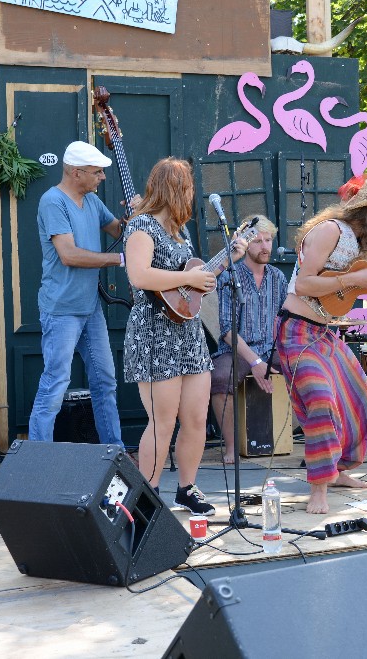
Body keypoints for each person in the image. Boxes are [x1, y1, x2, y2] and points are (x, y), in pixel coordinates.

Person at [275, 175, 367, 514]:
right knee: (321, 401)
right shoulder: (329, 232)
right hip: (297, 332)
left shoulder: (366, 244)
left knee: (364, 398)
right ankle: (318, 488)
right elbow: (305, 284)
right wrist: (352, 278)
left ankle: (338, 470)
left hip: (325, 334)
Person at [123, 157, 246, 515]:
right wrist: (188, 279)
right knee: (162, 421)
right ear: (173, 189)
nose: (192, 194)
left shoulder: (180, 231)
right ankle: (146, 496)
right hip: (153, 333)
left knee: (194, 418)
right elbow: (140, 276)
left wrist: (226, 260)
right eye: (187, 187)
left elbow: (192, 285)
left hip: (187, 333)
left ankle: (187, 489)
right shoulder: (141, 227)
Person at [29, 141, 124, 446]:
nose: (102, 177)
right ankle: (38, 459)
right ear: (76, 172)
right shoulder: (52, 201)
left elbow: (122, 232)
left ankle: (115, 453)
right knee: (55, 385)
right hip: (62, 309)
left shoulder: (92, 201)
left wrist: (139, 217)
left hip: (89, 307)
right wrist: (120, 258)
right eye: (97, 172)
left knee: (105, 382)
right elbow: (69, 255)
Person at [210, 215, 288, 464]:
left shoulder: (278, 277)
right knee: (220, 378)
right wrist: (255, 363)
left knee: (308, 367)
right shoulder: (229, 277)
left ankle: (312, 441)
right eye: (257, 241)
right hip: (237, 349)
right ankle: (232, 447)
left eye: (268, 240)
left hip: (272, 346)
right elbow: (226, 329)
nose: (265, 246)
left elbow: (286, 319)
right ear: (245, 245)